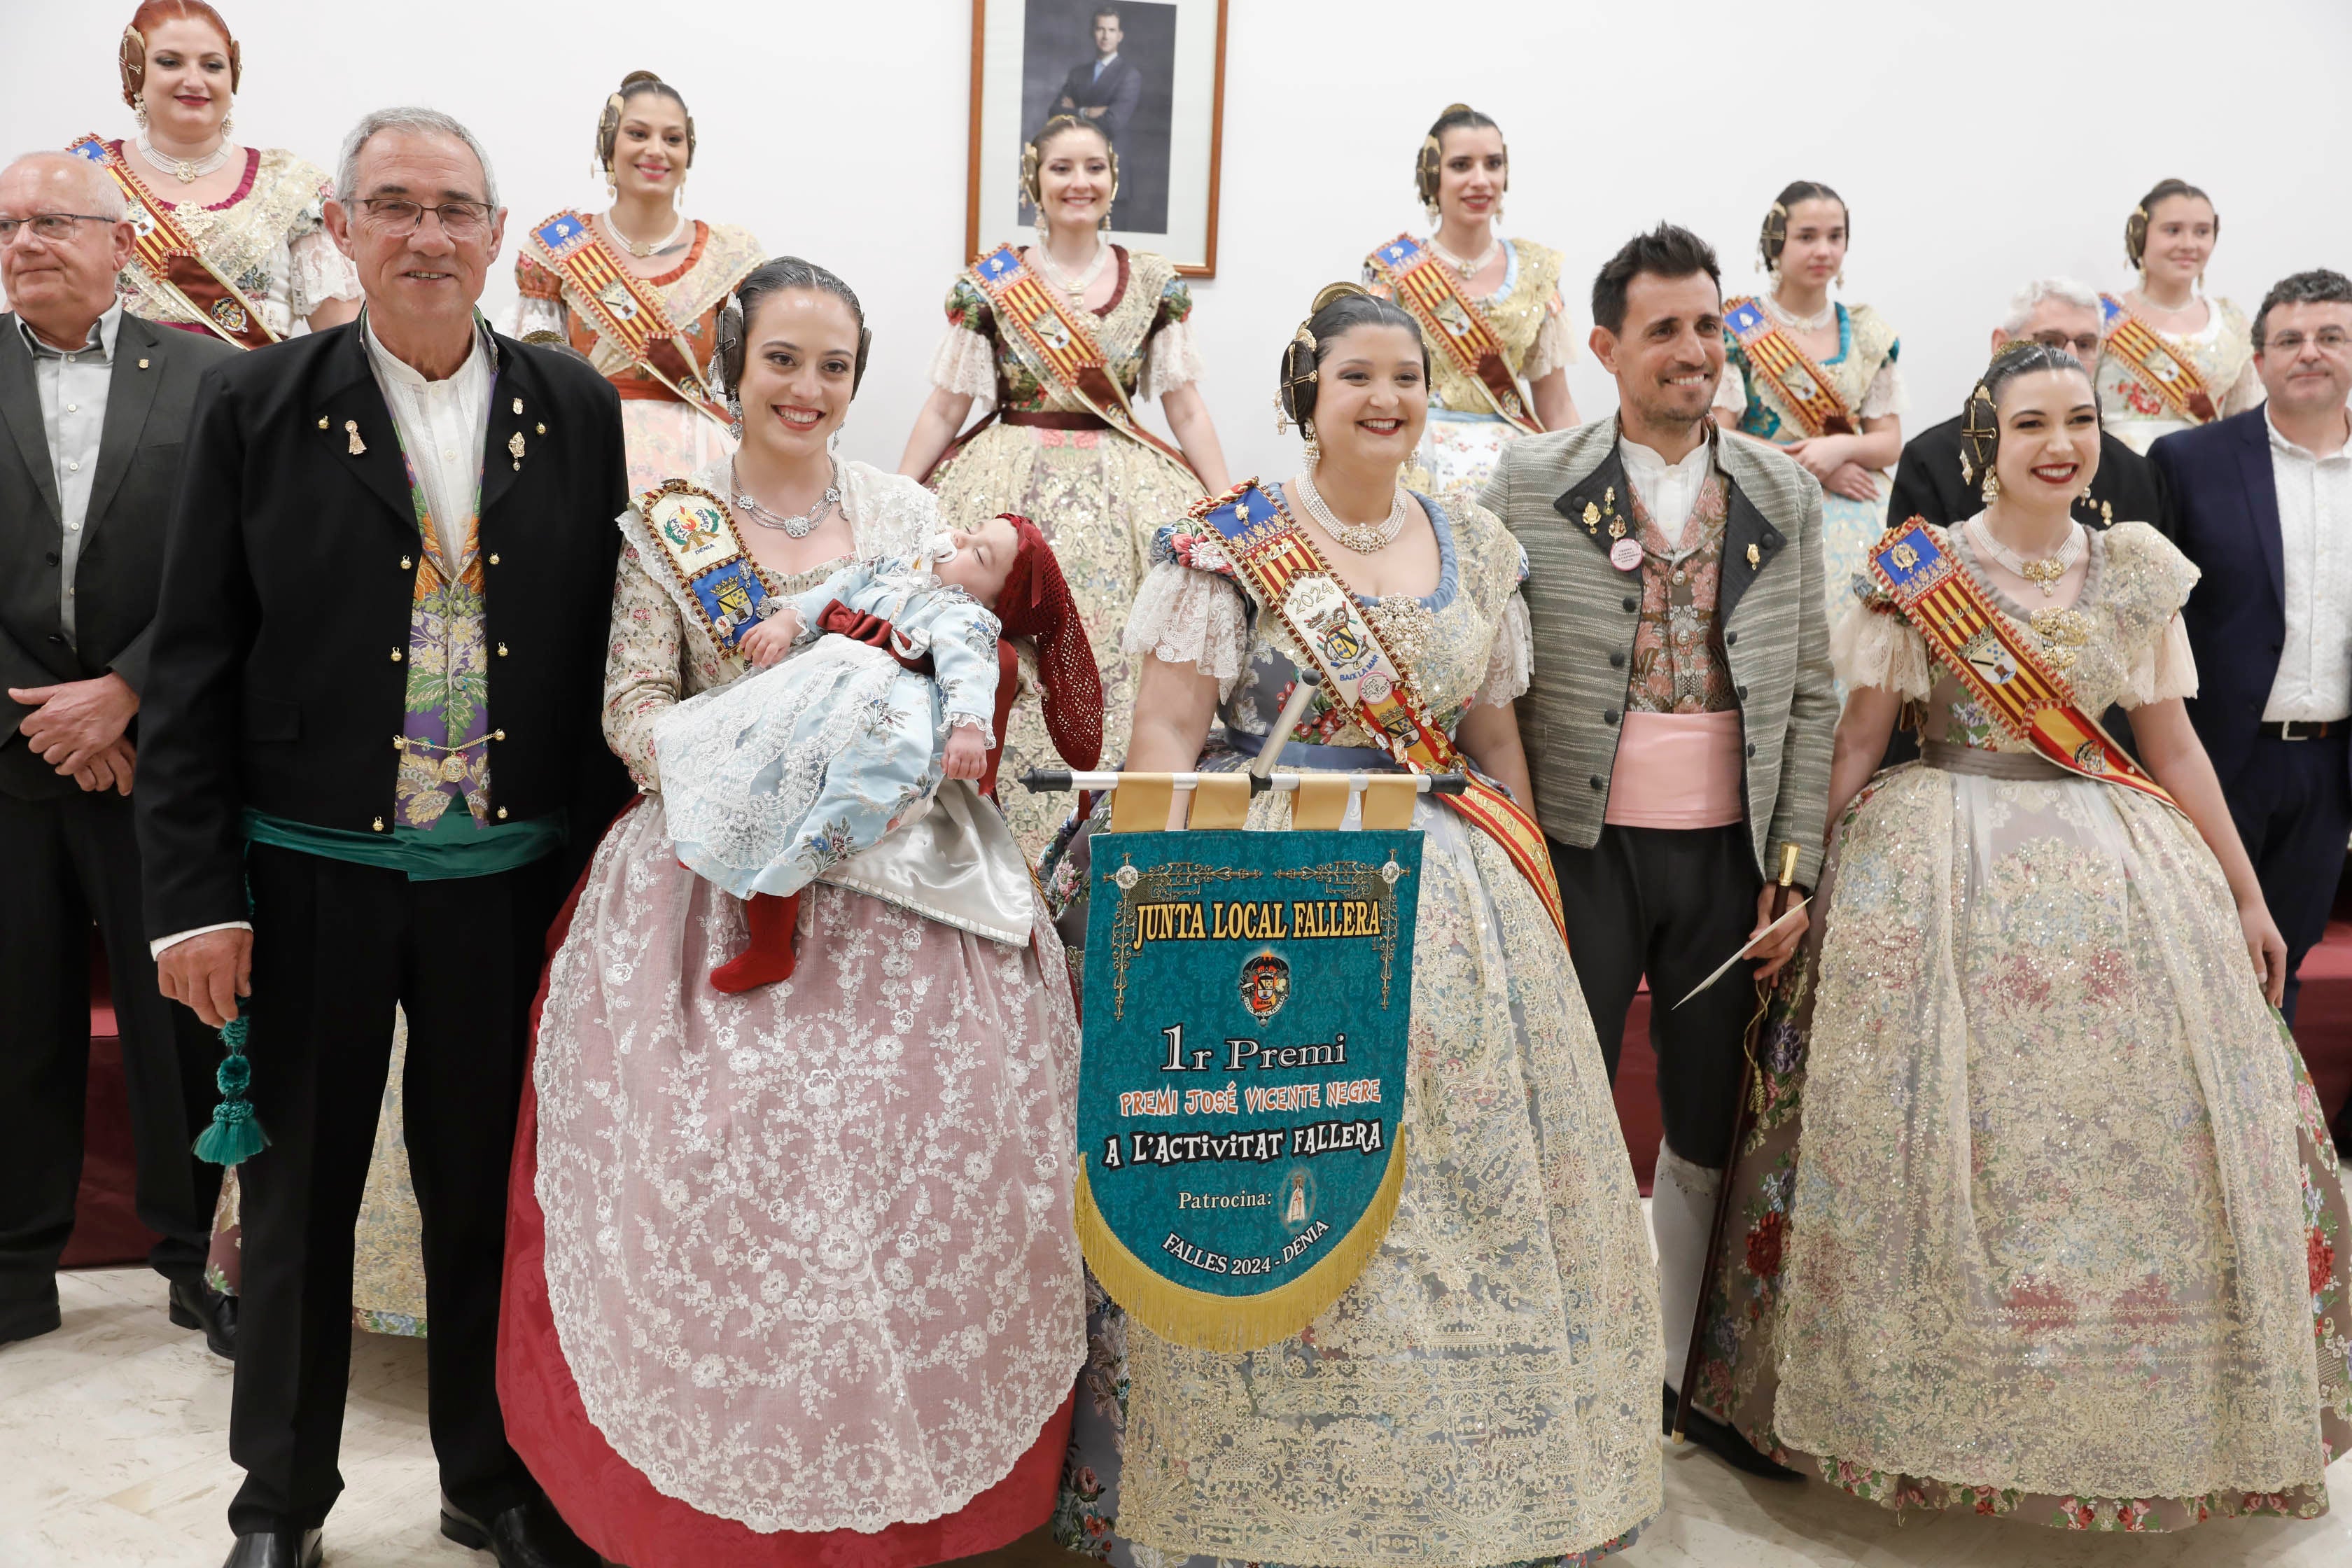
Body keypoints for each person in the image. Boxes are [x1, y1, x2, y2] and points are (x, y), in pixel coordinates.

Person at [1042, 285, 1660, 1568]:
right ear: (1306, 394)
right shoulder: (1228, 547)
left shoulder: (1480, 549)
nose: (1387, 401)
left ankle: (1461, 1492)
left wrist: (1529, 885)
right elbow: (1162, 741)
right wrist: (1170, 929)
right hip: (1273, 894)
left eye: (1408, 378)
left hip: (1451, 908)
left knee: (1459, 1203)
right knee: (1280, 1180)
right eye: (1357, 379)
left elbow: (1491, 745)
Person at [1693, 341, 2352, 1532]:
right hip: (1939, 849)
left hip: (2115, 865)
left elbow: (2177, 748)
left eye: (2082, 421)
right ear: (1985, 440)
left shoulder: (2138, 568)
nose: (2062, 442)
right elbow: (1858, 741)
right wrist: (1804, 881)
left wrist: (2247, 897)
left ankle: (2129, 1403)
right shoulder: (1920, 568)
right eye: (2034, 421)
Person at [498, 256, 1086, 1568]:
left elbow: (959, 668)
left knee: (916, 1184)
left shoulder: (903, 509)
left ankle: (914, 1498)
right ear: (733, 367)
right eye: (782, 361)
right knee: (714, 1181)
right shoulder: (672, 524)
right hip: (716, 885)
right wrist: (757, 771)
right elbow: (630, 708)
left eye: (833, 367)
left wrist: (918, 745)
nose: (807, 389)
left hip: (908, 891)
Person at [136, 106, 630, 1568]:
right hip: (309, 879)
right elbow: (193, 665)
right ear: (342, 227)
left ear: (496, 236)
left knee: (489, 1204)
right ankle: (280, 1506)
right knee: (298, 1212)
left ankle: (492, 1479)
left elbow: (607, 652)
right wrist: (190, 901)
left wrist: (604, 887)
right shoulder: (256, 406)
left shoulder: (574, 404)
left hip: (507, 884)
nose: (427, 234)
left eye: (456, 208)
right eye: (394, 206)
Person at [1483, 222, 1834, 1475]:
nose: (1698, 351)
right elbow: (1491, 670)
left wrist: (1795, 860)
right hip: (1575, 842)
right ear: (1604, 346)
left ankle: (1692, 1376)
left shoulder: (1785, 490)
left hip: (1733, 856)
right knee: (1564, 1105)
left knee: (1707, 1115)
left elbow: (1808, 693)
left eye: (1711, 323)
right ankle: (1566, 1359)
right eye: (1667, 330)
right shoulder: (1529, 480)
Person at [0, 150, 237, 1358]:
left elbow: (236, 562)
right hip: (8, 758)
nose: (26, 240)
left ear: (119, 243)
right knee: (13, 1020)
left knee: (177, 1023)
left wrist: (127, 694)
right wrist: (47, 717)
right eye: (10, 224)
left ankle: (200, 1260)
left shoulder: (208, 379)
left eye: (53, 220)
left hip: (160, 757)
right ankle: (11, 1269)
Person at [899, 113, 1226, 858]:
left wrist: (1225, 505)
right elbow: (948, 404)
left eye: (1093, 168)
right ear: (1034, 183)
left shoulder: (1151, 283)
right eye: (1060, 169)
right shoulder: (993, 283)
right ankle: (986, 839)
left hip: (1127, 485)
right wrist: (897, 494)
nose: (1078, 183)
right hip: (1007, 485)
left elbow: (1184, 405)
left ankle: (1107, 845)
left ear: (1113, 181)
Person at [657, 511, 1099, 990]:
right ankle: (718, 838)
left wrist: (968, 729)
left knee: (833, 804)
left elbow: (969, 670)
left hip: (882, 718)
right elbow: (831, 592)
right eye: (969, 529)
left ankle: (769, 946)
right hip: (813, 691)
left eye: (977, 552)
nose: (957, 539)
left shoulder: (967, 616)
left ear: (995, 600)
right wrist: (788, 622)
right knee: (755, 751)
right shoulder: (891, 570)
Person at [2152, 270, 2352, 1037]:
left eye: (2331, 336)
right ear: (2258, 359)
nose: (2311, 352)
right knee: (2188, 966)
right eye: (2290, 339)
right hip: (2213, 761)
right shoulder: (2188, 461)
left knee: (2285, 969)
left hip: (2327, 769)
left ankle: (2273, 1148)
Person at [513, 70, 761, 496]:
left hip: (701, 464)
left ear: (689, 152)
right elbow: (530, 378)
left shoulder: (730, 256)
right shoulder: (560, 248)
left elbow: (749, 383)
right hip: (587, 454)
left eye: (672, 138)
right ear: (608, 144)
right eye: (638, 133)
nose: (655, 150)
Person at [77, 1, 360, 346]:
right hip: (117, 397)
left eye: (212, 65)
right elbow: (26, 325)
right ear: (135, 72)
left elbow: (343, 343)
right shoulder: (82, 179)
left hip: (253, 398)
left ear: (233, 76)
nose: (194, 80)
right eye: (170, 62)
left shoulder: (292, 186)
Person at [1362, 104, 1581, 510]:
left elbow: (1556, 404)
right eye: (1462, 165)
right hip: (1415, 459)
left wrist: (1581, 485)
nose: (1481, 181)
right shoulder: (1394, 271)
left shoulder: (1536, 273)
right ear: (1432, 176)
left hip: (1514, 467)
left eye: (1493, 164)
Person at [1716, 181, 1904, 620]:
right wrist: (1808, 465)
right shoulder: (1738, 329)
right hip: (1768, 496)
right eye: (1807, 237)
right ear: (1775, 244)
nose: (1824, 250)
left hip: (1864, 499)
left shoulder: (1865, 330)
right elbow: (1718, 434)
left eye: (1835, 236)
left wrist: (1838, 449)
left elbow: (1889, 441)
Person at [1889, 276, 2173, 537]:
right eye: (2050, 342)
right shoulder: (1930, 461)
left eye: (2086, 345)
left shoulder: (2137, 475)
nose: (2070, 357)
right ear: (2001, 345)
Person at [2097, 178, 2262, 455]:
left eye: (2202, 232)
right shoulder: (2100, 316)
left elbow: (2248, 422)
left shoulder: (2231, 322)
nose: (2189, 244)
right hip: (2118, 485)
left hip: (2207, 482)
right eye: (2172, 231)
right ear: (2139, 235)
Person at [1051, 8, 1142, 150]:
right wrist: (1085, 113)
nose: (1105, 36)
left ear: (1120, 36)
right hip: (1076, 152)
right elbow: (1054, 112)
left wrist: (1074, 112)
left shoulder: (1129, 75)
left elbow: (1112, 124)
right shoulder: (1078, 73)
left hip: (1110, 156)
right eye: (1100, 29)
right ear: (1093, 33)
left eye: (1111, 30)